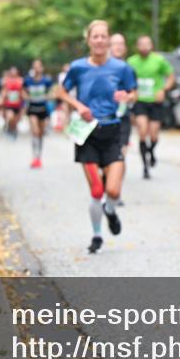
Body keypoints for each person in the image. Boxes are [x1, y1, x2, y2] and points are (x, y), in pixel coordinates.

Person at [55, 20, 136, 254]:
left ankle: (110, 211)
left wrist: (126, 97)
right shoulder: (78, 67)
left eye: (103, 36)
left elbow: (133, 93)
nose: (100, 40)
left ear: (109, 39)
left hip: (113, 132)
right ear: (88, 40)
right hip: (87, 133)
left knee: (113, 191)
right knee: (97, 191)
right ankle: (97, 234)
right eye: (95, 36)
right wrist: (78, 105)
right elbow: (60, 91)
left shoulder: (121, 68)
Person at [127, 36, 175, 178]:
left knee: (154, 134)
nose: (144, 47)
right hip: (140, 101)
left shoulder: (158, 60)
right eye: (141, 44)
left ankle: (151, 151)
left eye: (147, 44)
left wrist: (164, 89)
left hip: (155, 101)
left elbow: (171, 76)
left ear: (151, 46)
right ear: (137, 46)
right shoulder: (131, 62)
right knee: (142, 130)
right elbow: (125, 80)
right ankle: (145, 167)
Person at [110, 33, 137, 204]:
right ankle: (108, 185)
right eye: (115, 44)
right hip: (103, 118)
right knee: (106, 159)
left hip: (123, 117)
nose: (118, 47)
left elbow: (134, 93)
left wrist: (128, 97)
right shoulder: (101, 67)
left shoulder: (128, 69)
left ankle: (116, 191)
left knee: (120, 155)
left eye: (121, 44)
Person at [24, 59, 54, 168]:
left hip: (43, 109)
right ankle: (34, 157)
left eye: (38, 66)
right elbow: (22, 91)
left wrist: (48, 96)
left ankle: (38, 156)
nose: (37, 68)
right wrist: (27, 97)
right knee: (35, 132)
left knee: (41, 134)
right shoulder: (28, 80)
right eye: (35, 66)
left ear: (41, 68)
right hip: (32, 109)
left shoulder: (46, 80)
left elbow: (52, 91)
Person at [0, 66, 25, 138]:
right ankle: (9, 129)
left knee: (15, 121)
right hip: (9, 105)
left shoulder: (21, 80)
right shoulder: (6, 81)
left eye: (15, 71)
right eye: (12, 71)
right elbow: (3, 91)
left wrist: (23, 99)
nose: (13, 73)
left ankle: (13, 130)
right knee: (10, 117)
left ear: (17, 72)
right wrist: (2, 98)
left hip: (18, 105)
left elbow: (23, 92)